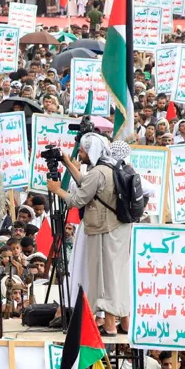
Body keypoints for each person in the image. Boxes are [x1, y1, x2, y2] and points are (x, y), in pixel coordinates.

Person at [45, 137, 133, 336]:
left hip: (105, 231)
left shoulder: (98, 172)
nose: (81, 155)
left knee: (106, 278)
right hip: (115, 229)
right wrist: (68, 163)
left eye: (83, 151)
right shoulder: (109, 167)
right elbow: (87, 184)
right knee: (115, 277)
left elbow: (77, 199)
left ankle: (109, 326)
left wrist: (56, 190)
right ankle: (123, 323)